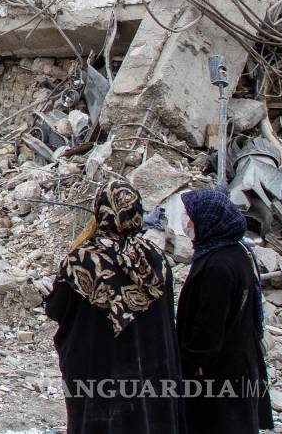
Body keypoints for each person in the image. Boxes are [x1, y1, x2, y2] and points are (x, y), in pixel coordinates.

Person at [44, 176, 182, 434]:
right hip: (150, 370)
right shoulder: (154, 258)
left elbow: (56, 309)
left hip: (99, 371)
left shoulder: (83, 260)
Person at [177, 188, 270, 433]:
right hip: (237, 360)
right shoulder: (236, 251)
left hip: (217, 373)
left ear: (209, 219)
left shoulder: (217, 266)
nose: (186, 222)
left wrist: (191, 361)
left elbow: (209, 326)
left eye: (190, 216)